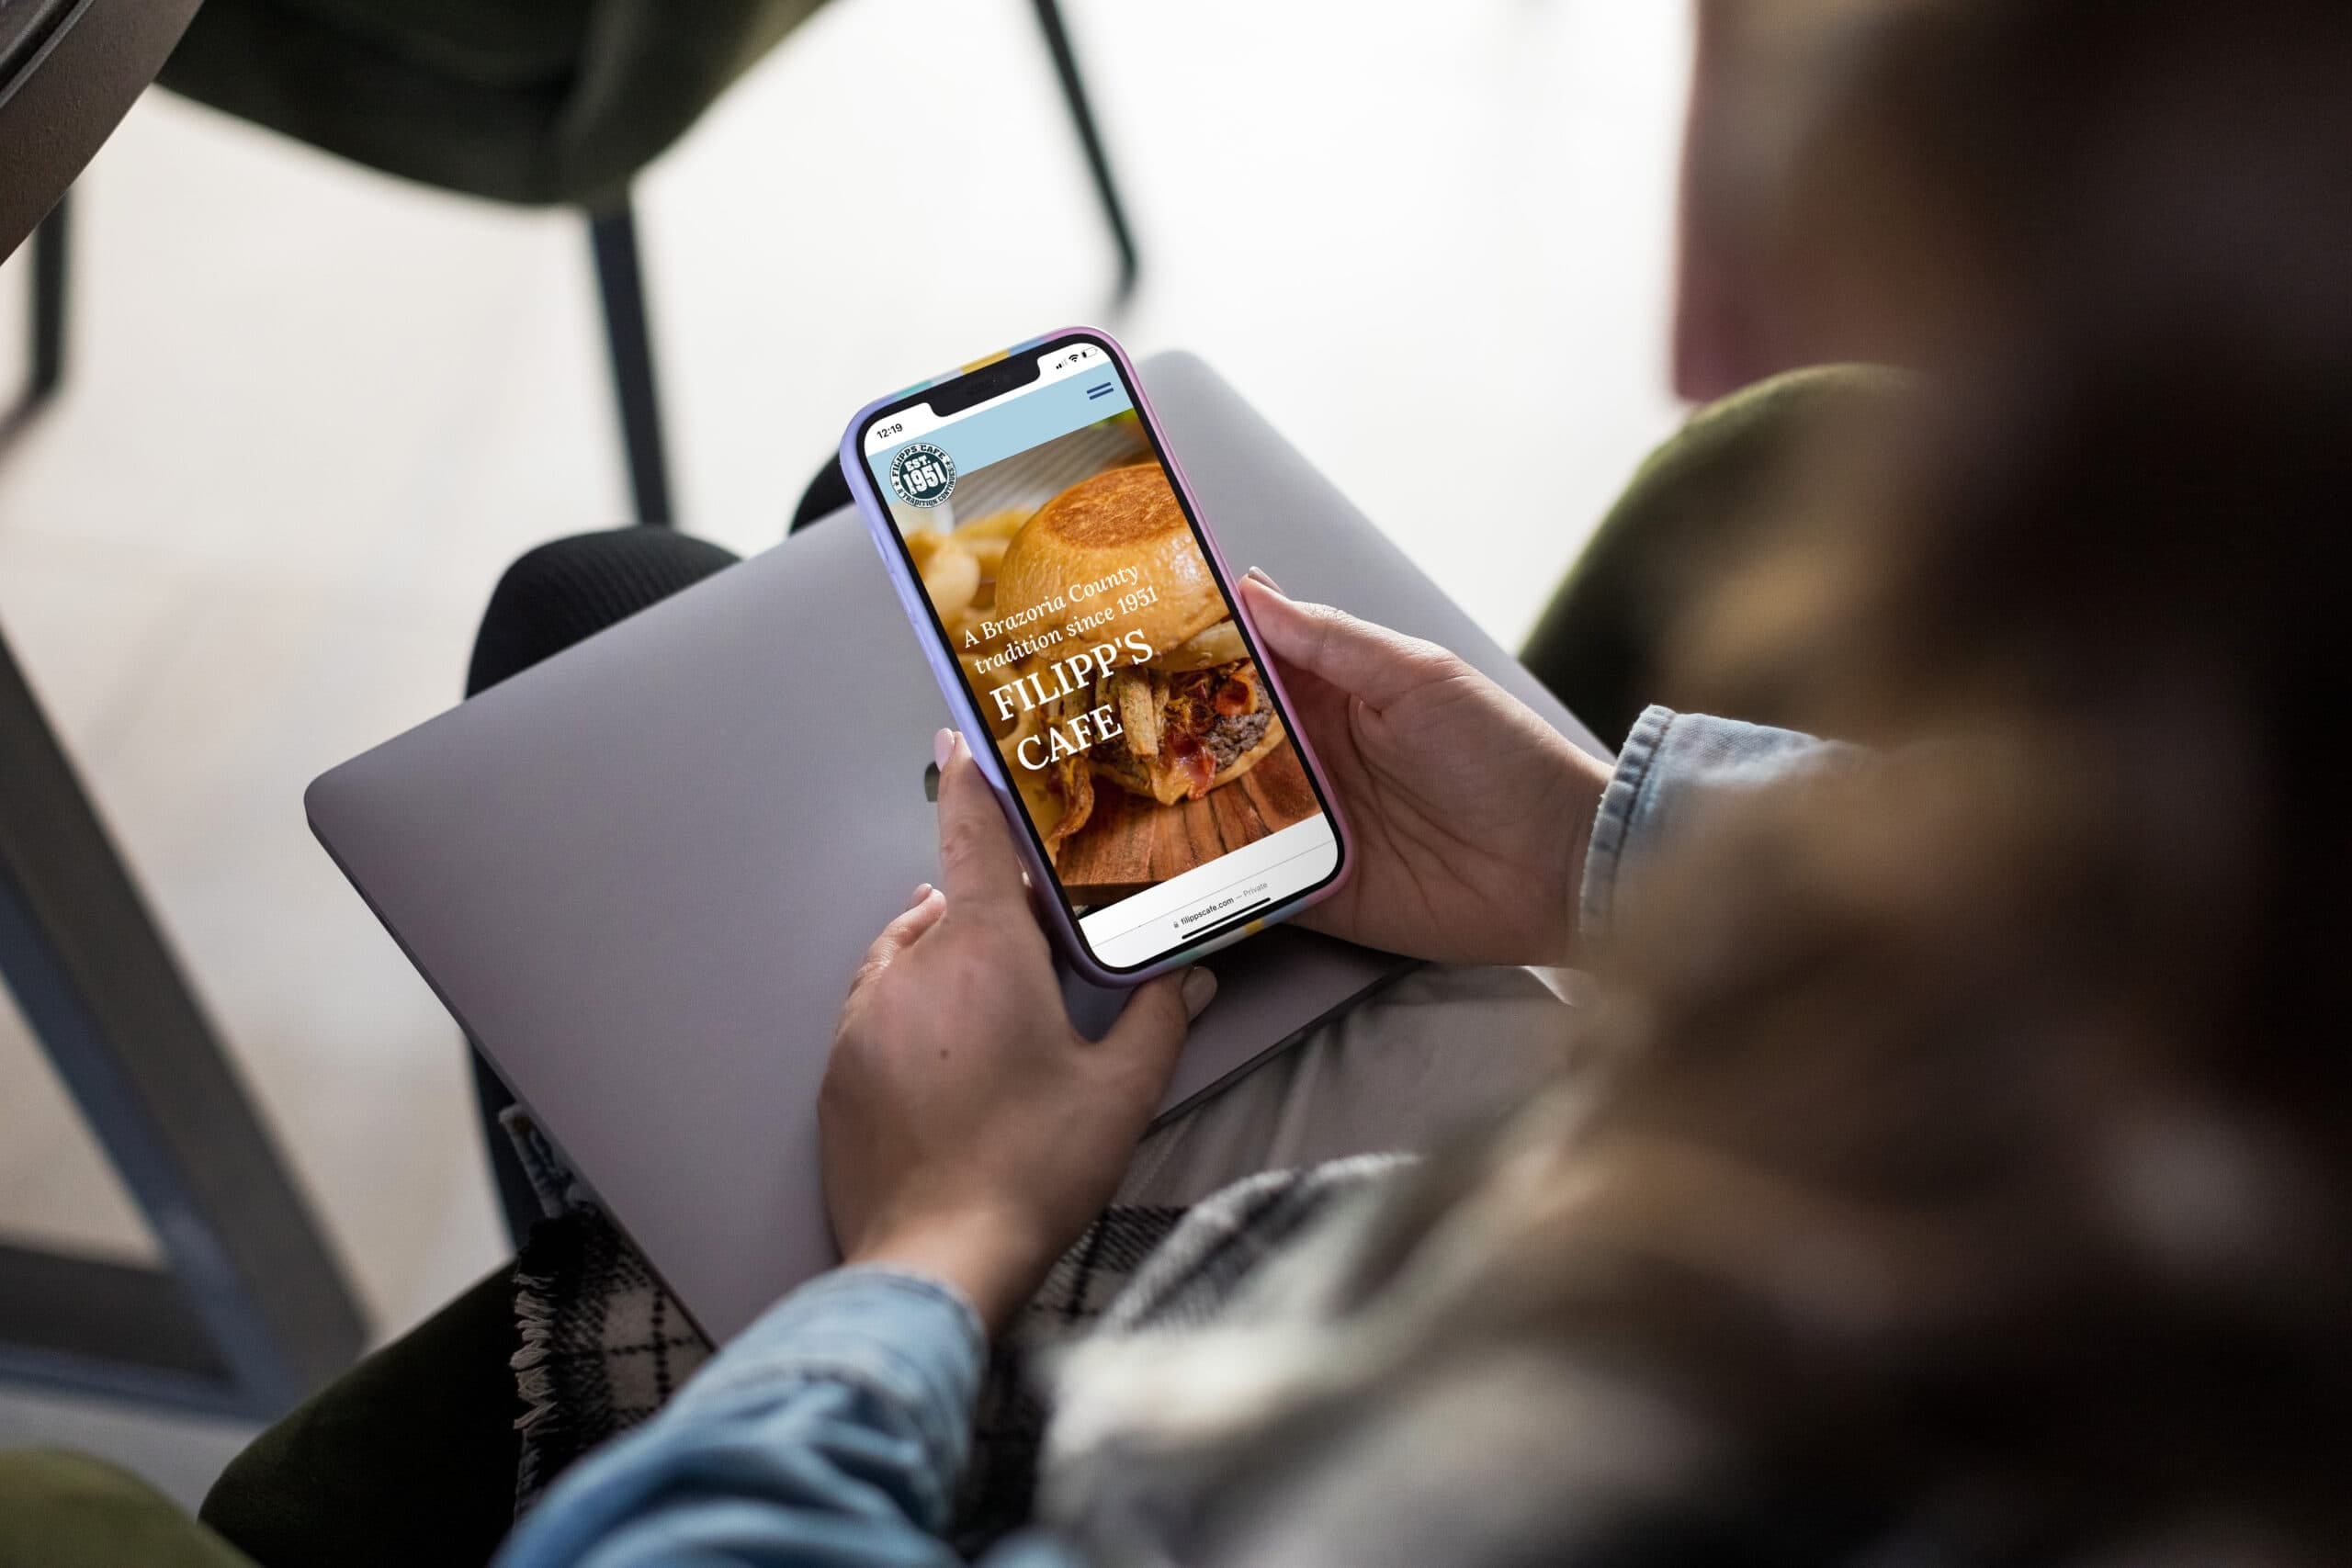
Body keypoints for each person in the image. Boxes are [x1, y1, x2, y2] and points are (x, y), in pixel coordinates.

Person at [488, 0, 2352, 1562]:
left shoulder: (1576, 1462)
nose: (1701, 356)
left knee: (594, 617)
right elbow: (2125, 878)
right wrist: (1584, 849)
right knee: (850, 594)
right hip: (1525, 1150)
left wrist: (922, 1246)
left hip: (1213, 1347)